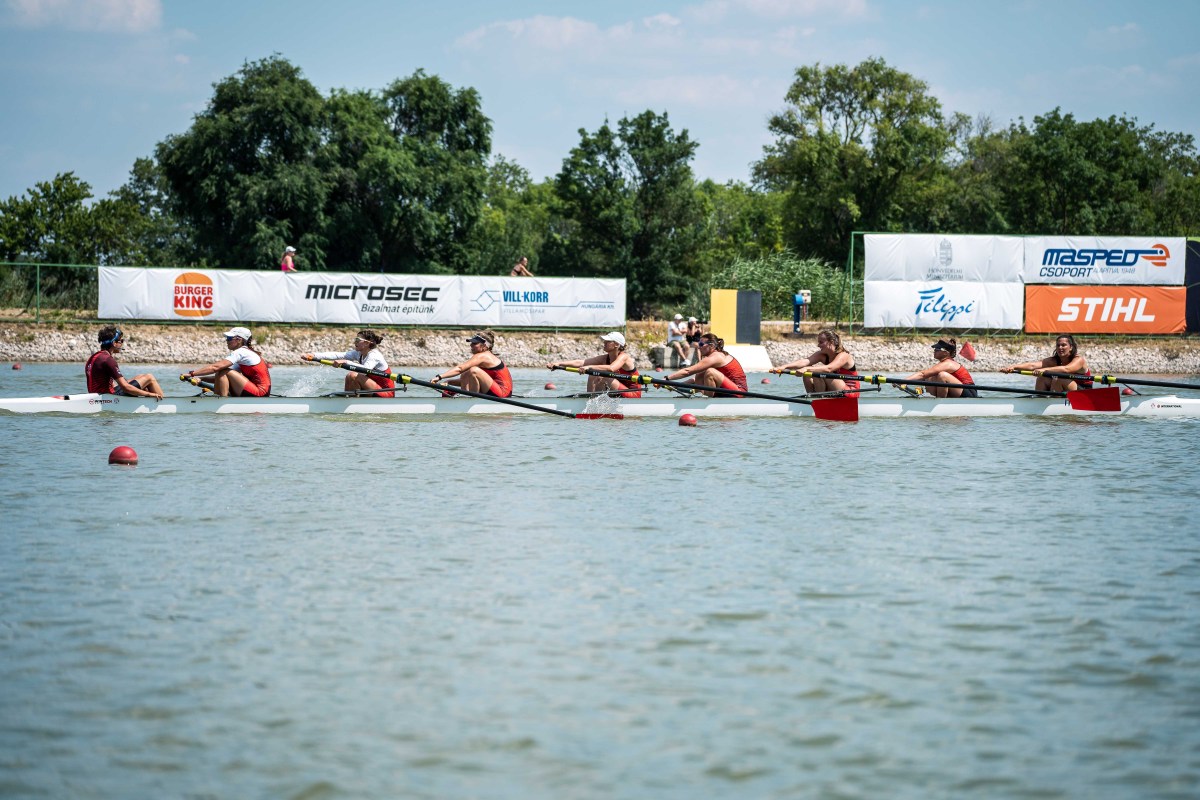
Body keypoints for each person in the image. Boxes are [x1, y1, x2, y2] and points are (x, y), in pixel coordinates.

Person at [301, 330, 395, 397]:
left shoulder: (374, 355)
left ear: (367, 343)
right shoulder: (358, 354)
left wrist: (346, 362)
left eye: (358, 340)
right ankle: (350, 400)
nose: (355, 342)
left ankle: (351, 403)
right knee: (350, 377)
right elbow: (337, 355)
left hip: (386, 393)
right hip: (373, 389)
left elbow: (365, 370)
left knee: (352, 375)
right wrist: (314, 355)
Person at [547, 331, 641, 398]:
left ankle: (595, 401)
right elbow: (581, 362)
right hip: (619, 391)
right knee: (593, 374)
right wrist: (559, 364)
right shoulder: (604, 358)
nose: (604, 343)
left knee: (603, 375)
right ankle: (591, 399)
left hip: (633, 394)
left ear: (616, 344)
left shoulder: (624, 357)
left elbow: (611, 368)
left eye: (608, 341)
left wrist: (589, 367)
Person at [184, 327, 272, 397]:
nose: (227, 340)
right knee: (221, 371)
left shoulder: (241, 352)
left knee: (222, 369)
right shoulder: (245, 353)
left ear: (239, 340)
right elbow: (221, 378)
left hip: (260, 392)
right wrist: (201, 379)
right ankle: (219, 397)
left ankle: (221, 400)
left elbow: (215, 367)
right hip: (259, 391)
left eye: (229, 338)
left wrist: (192, 374)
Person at [770, 329, 859, 397]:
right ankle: (813, 397)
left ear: (831, 342)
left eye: (821, 342)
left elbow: (829, 368)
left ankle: (820, 399)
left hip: (850, 392)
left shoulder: (844, 355)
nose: (818, 345)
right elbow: (805, 362)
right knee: (809, 371)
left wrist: (806, 369)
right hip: (835, 389)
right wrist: (783, 367)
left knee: (815, 371)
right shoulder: (822, 355)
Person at [85, 325, 164, 400]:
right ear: (114, 343)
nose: (122, 344)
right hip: (108, 398)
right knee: (149, 378)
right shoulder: (108, 360)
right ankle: (162, 402)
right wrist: (148, 394)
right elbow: (125, 387)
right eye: (121, 341)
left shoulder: (94, 357)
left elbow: (110, 384)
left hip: (97, 396)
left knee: (140, 377)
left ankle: (149, 402)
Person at [432, 330, 513, 398]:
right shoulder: (484, 356)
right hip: (496, 390)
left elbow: (460, 368)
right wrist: (448, 382)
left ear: (484, 345)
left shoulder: (483, 356)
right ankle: (465, 396)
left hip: (503, 394)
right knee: (466, 373)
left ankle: (470, 399)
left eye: (475, 343)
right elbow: (467, 379)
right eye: (471, 343)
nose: (471, 345)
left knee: (473, 370)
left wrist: (439, 377)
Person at [1001, 334, 1093, 391]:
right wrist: (1013, 367)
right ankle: (1040, 401)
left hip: (1084, 392)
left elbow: (1066, 369)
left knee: (1059, 379)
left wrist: (1044, 370)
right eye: (1058, 345)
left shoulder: (1078, 360)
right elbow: (1032, 365)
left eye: (1063, 345)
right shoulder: (1054, 360)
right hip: (1066, 388)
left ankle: (1053, 402)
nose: (1060, 348)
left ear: (1071, 347)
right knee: (1042, 378)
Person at [668, 333, 747, 397]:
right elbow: (694, 380)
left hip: (739, 392)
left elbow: (687, 371)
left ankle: (707, 401)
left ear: (711, 346)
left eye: (701, 344)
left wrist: (667, 379)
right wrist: (675, 385)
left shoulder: (716, 357)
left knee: (710, 372)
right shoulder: (713, 357)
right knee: (700, 374)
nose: (699, 347)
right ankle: (703, 397)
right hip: (728, 389)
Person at [904, 338, 978, 398]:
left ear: (946, 352)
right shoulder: (943, 364)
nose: (934, 350)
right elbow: (924, 377)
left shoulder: (948, 364)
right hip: (958, 390)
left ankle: (939, 403)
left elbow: (922, 374)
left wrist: (904, 381)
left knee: (942, 375)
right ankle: (930, 399)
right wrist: (906, 383)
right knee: (930, 375)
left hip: (970, 392)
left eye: (937, 349)